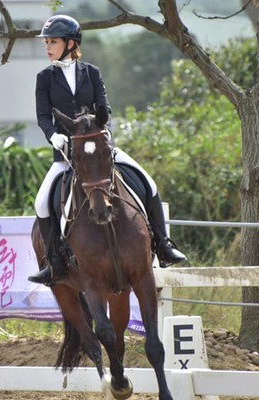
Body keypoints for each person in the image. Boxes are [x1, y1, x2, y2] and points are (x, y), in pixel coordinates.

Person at [28, 14, 187, 286]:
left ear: (70, 43)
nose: (47, 47)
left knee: (148, 183)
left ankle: (163, 245)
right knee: (42, 202)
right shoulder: (45, 78)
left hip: (99, 152)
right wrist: (53, 135)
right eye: (47, 42)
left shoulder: (92, 73)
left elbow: (105, 108)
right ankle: (54, 262)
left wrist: (105, 132)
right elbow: (43, 115)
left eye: (52, 41)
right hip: (67, 153)